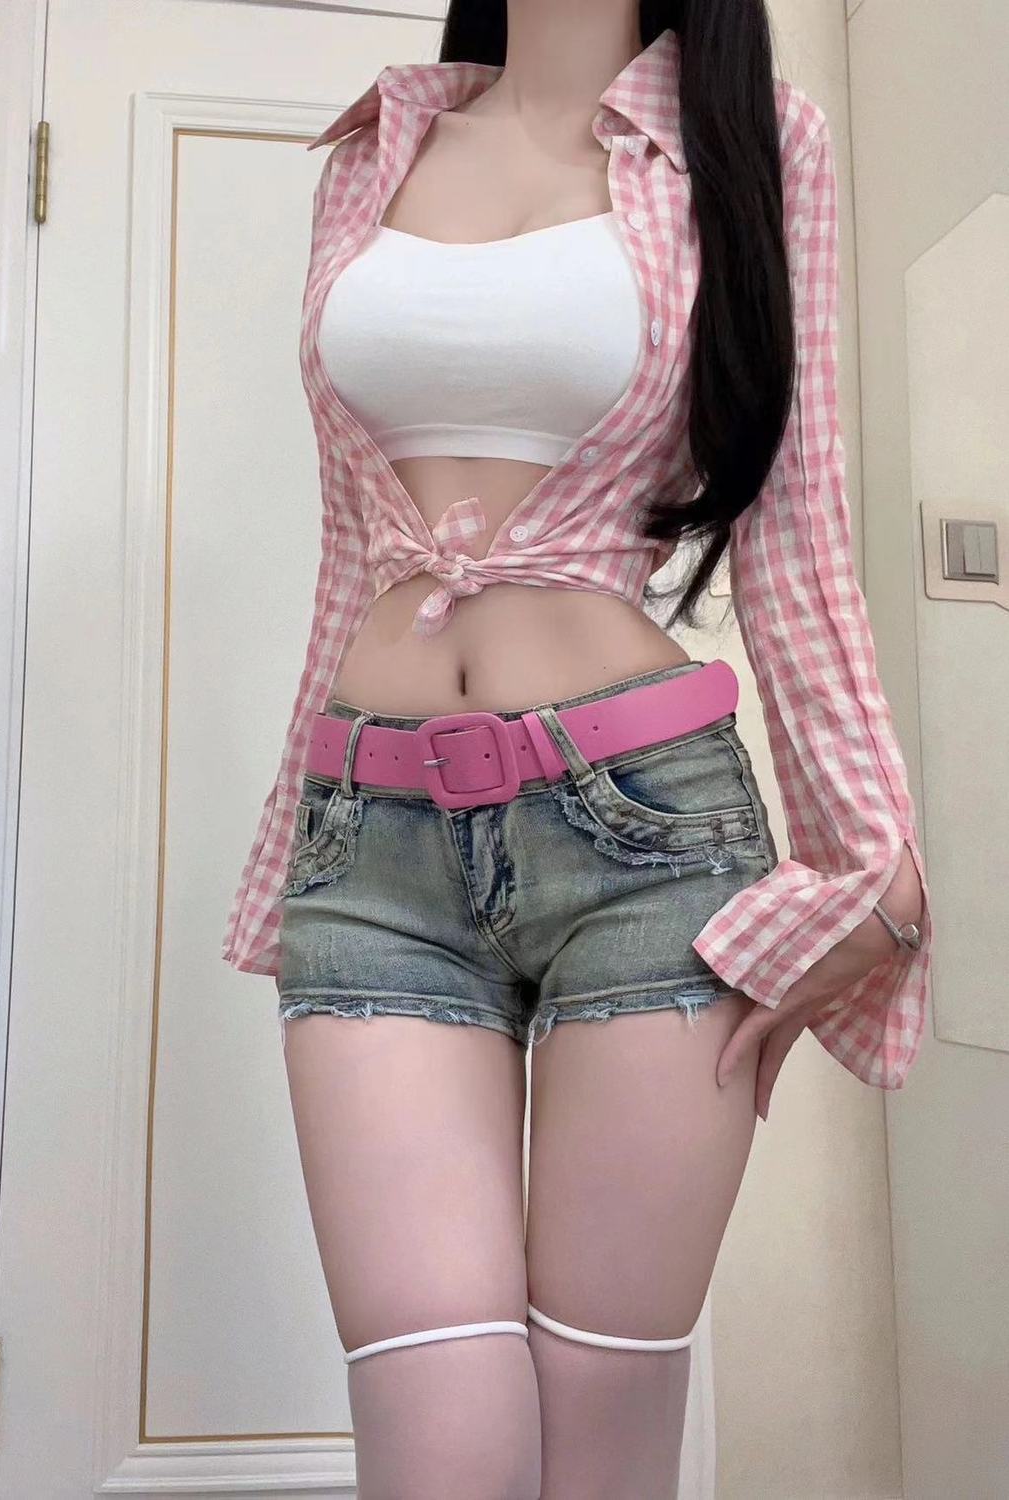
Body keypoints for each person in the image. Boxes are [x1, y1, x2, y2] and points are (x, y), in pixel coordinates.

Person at [222, 3, 931, 1495]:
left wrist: (873, 865)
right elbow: (352, 553)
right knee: (433, 1429)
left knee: (602, 1420)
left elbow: (795, 526)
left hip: (646, 841)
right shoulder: (374, 151)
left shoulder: (752, 147)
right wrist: (291, 841)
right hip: (371, 851)